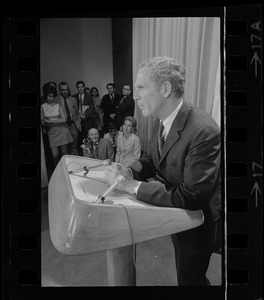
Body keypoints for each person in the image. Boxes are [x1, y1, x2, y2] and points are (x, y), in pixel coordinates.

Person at [104, 56, 221, 286]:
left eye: (140, 87)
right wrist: (128, 170)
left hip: (198, 223)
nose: (134, 95)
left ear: (165, 89)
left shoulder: (203, 130)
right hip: (176, 216)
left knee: (191, 280)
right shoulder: (165, 118)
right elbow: (151, 158)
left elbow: (191, 196)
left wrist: (133, 186)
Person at [41, 85, 73, 166]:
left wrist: (50, 122)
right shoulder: (42, 107)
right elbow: (43, 122)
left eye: (53, 96)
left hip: (62, 131)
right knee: (55, 155)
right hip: (51, 132)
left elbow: (64, 119)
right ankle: (57, 172)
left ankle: (65, 171)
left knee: (64, 154)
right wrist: (56, 121)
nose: (51, 98)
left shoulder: (58, 105)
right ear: (46, 96)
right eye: (49, 96)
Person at [55, 82, 81, 155]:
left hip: (72, 125)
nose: (65, 91)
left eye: (66, 89)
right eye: (63, 90)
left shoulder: (73, 99)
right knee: (64, 150)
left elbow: (77, 113)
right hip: (62, 126)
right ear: (59, 90)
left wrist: (78, 124)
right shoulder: (55, 100)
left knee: (74, 148)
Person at [72, 81, 98, 155]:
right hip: (77, 122)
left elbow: (91, 109)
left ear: (84, 87)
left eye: (81, 87)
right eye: (78, 87)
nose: (80, 88)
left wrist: (85, 116)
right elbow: (73, 109)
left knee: (88, 138)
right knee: (79, 139)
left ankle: (90, 154)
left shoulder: (89, 96)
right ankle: (80, 154)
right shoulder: (74, 97)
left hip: (87, 121)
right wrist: (78, 116)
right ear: (77, 88)